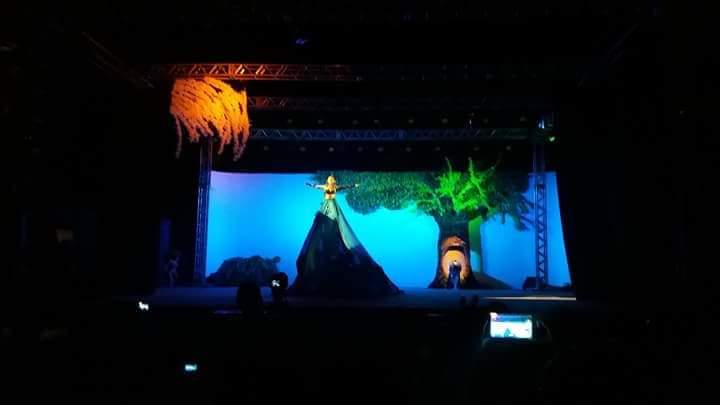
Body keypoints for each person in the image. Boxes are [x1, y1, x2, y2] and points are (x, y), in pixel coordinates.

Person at [290, 175, 402, 298]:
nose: (331, 181)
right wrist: (310, 185)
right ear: (328, 181)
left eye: (332, 180)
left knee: (333, 220)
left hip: (333, 206)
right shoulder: (325, 187)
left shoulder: (335, 187)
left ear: (333, 181)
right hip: (327, 206)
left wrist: (354, 185)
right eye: (329, 180)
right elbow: (316, 186)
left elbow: (345, 187)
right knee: (324, 219)